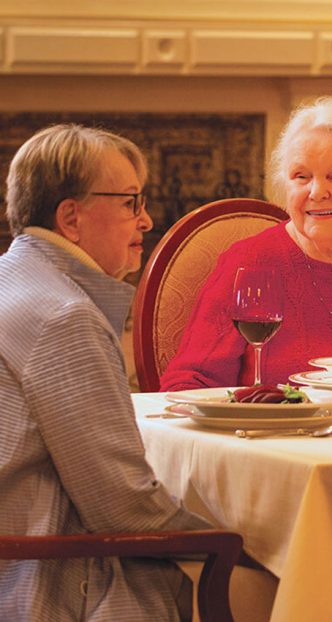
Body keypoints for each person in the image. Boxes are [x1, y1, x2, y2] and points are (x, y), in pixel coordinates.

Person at [0, 124, 211, 620]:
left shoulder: (13, 279)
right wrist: (235, 540)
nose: (147, 220)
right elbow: (123, 508)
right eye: (131, 202)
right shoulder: (64, 317)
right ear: (71, 218)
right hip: (46, 583)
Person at [160, 96, 332, 390]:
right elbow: (188, 382)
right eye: (301, 176)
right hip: (271, 422)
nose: (317, 192)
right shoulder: (249, 263)